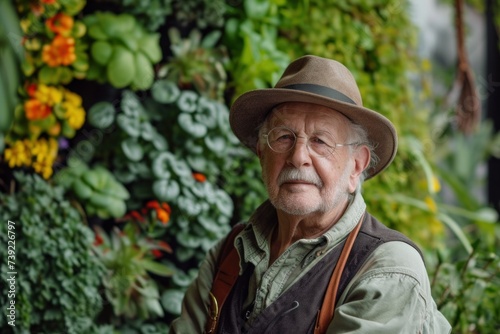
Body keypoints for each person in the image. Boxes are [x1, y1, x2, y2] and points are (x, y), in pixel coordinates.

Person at [169, 55, 452, 333]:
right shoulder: (229, 253)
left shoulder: (388, 270)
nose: (298, 156)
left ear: (356, 166)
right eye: (283, 137)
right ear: (261, 153)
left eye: (320, 141)